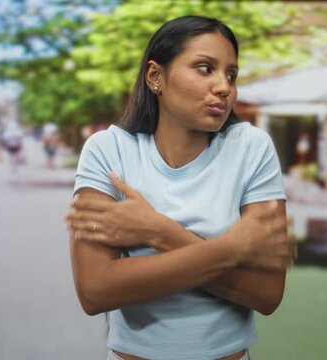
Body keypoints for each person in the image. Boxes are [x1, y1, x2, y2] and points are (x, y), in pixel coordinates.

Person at [65, 16, 294, 360]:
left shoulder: (251, 147)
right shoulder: (109, 150)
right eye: (205, 68)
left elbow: (267, 293)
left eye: (231, 75)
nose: (224, 87)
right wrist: (232, 249)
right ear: (156, 76)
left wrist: (159, 232)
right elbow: (95, 290)